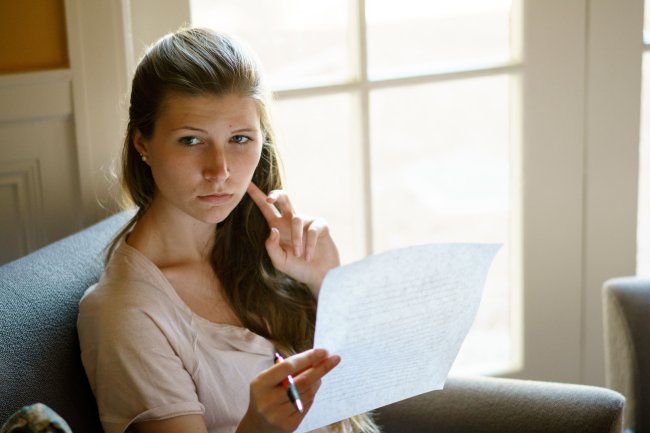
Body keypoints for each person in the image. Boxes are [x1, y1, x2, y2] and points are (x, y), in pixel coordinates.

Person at [76, 27, 379, 433]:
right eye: (191, 140)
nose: (220, 171)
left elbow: (362, 396)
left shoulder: (266, 249)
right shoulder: (126, 313)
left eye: (239, 139)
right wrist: (256, 426)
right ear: (142, 143)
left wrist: (325, 282)